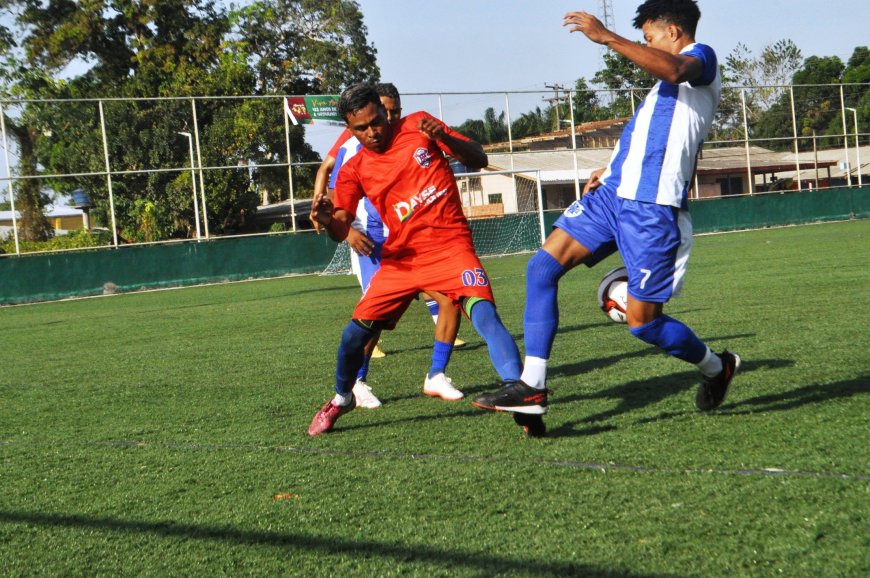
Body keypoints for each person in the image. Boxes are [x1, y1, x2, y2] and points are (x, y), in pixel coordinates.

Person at [472, 0, 741, 434]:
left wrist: (608, 38)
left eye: (649, 35)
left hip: (652, 209)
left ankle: (716, 366)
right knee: (541, 267)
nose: (645, 43)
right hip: (613, 195)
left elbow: (673, 70)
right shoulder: (661, 88)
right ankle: (532, 387)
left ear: (672, 31)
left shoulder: (701, 58)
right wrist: (611, 165)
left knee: (642, 324)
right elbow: (649, 132)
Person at [307, 83, 522, 436]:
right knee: (352, 337)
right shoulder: (354, 168)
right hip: (401, 261)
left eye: (376, 121)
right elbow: (341, 224)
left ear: (384, 110)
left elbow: (479, 159)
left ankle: (517, 388)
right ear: (349, 128)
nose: (372, 132)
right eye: (361, 128)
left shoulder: (419, 126)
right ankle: (342, 397)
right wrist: (330, 219)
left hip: (450, 248)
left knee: (483, 311)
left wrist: (448, 141)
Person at [313, 83, 466, 409]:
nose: (391, 119)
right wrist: (346, 229)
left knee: (451, 297)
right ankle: (357, 383)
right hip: (372, 240)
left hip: (412, 241)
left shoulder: (408, 133)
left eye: (394, 112)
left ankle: (437, 374)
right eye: (387, 111)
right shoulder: (351, 146)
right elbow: (337, 190)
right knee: (373, 319)